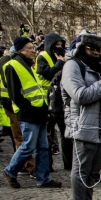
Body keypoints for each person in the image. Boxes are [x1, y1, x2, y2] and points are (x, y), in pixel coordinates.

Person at [61, 33, 101, 200]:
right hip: (83, 124)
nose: (96, 53)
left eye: (99, 49)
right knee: (81, 168)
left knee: (93, 168)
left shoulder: (96, 68)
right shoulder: (72, 66)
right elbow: (80, 95)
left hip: (99, 123)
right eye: (92, 49)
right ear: (82, 48)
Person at [2, 37, 62, 189]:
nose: (33, 50)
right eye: (29, 48)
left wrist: (43, 109)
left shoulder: (29, 65)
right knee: (28, 146)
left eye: (33, 47)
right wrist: (31, 109)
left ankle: (43, 178)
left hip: (39, 111)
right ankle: (10, 170)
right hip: (29, 114)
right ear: (20, 49)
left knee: (42, 147)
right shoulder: (12, 65)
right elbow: (15, 95)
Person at [35, 32, 69, 171]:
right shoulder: (42, 57)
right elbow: (48, 74)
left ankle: (69, 163)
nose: (59, 48)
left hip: (61, 100)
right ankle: (47, 165)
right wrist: (60, 63)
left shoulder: (62, 58)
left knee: (66, 134)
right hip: (46, 100)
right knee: (48, 135)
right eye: (56, 45)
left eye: (61, 45)